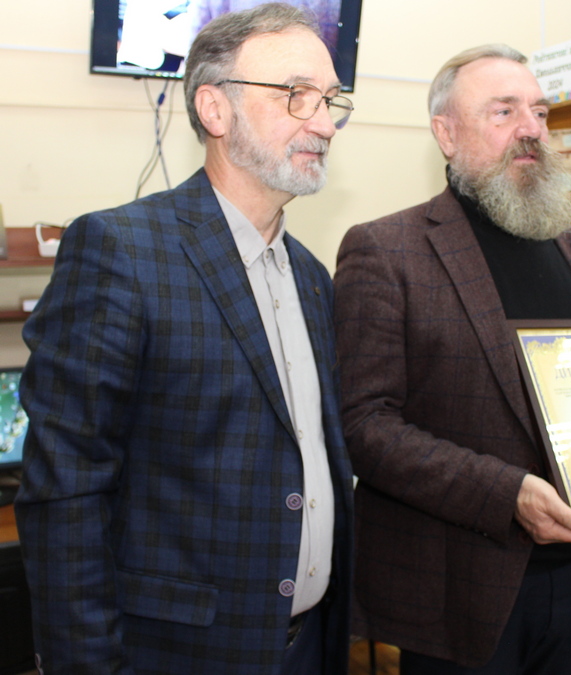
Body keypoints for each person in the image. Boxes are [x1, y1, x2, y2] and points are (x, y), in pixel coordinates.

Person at [15, 4, 355, 674]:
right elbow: (66, 494)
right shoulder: (119, 250)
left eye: (330, 99)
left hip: (309, 646)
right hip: (178, 652)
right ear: (215, 108)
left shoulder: (313, 278)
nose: (323, 122)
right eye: (296, 95)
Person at [333, 44, 571, 675]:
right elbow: (364, 426)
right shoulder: (386, 250)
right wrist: (509, 495)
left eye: (540, 112)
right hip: (458, 588)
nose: (531, 129)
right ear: (446, 133)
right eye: (504, 111)